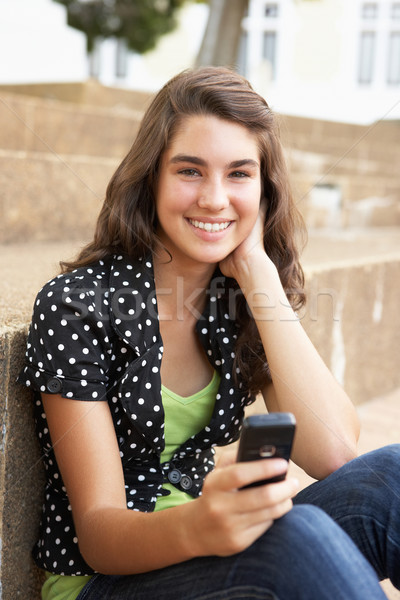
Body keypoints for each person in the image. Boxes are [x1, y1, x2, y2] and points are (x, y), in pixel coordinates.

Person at [18, 67, 399, 600]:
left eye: (239, 174)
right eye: (190, 171)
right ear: (151, 177)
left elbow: (334, 453)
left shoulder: (239, 297)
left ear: (265, 191)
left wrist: (259, 272)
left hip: (215, 550)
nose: (215, 199)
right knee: (298, 539)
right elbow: (101, 534)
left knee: (394, 478)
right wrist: (201, 526)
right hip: (107, 581)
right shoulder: (78, 307)